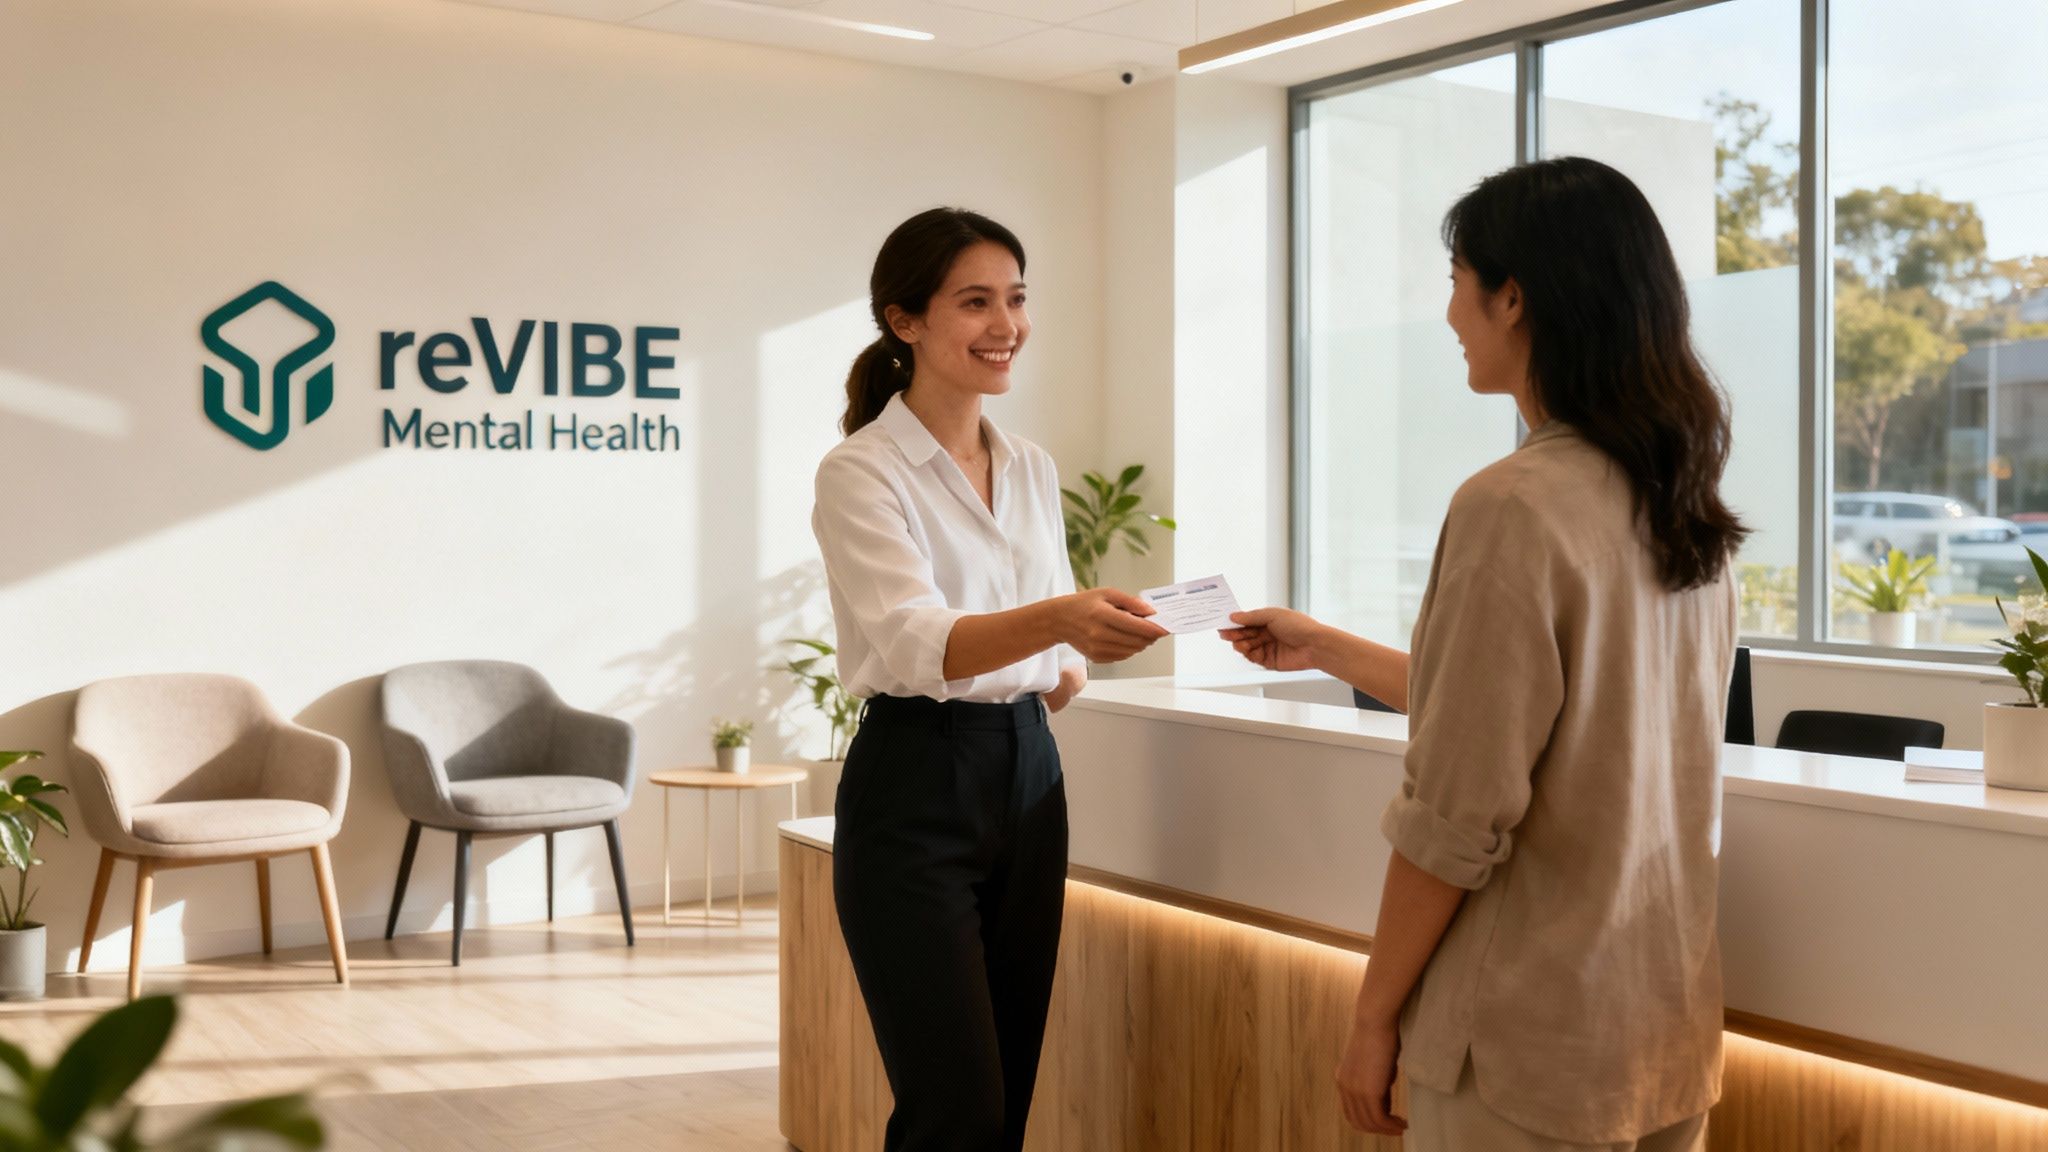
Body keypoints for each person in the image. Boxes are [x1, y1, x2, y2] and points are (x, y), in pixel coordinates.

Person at [1224, 157, 1747, 1151]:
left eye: (1457, 281)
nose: (1449, 313)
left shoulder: (1509, 502)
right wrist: (1328, 647)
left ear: (1513, 297)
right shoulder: (1680, 502)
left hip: (1524, 1039)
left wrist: (1373, 1015)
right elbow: (1546, 717)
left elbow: (1458, 812)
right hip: (1658, 1035)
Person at [811, 207, 1169, 1152]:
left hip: (1029, 773)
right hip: (914, 786)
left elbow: (1054, 650)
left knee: (1004, 1099)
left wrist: (1078, 651)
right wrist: (1059, 623)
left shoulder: (1032, 467)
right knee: (953, 1108)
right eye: (975, 302)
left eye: (1015, 298)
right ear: (906, 322)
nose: (1006, 323)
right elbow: (913, 638)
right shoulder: (862, 470)